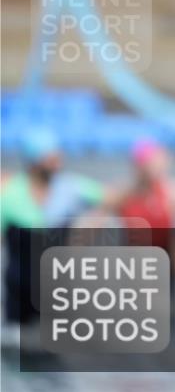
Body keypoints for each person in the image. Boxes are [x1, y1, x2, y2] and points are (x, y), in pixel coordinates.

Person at [0, 128, 106, 337]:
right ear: (34, 162)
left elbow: (110, 199)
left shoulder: (69, 189)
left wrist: (90, 226)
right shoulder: (11, 194)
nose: (57, 162)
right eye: (51, 158)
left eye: (58, 156)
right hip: (19, 290)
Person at [114, 138, 175, 251]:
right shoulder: (124, 193)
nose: (148, 169)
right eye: (144, 165)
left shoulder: (173, 191)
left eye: (153, 164)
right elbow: (95, 220)